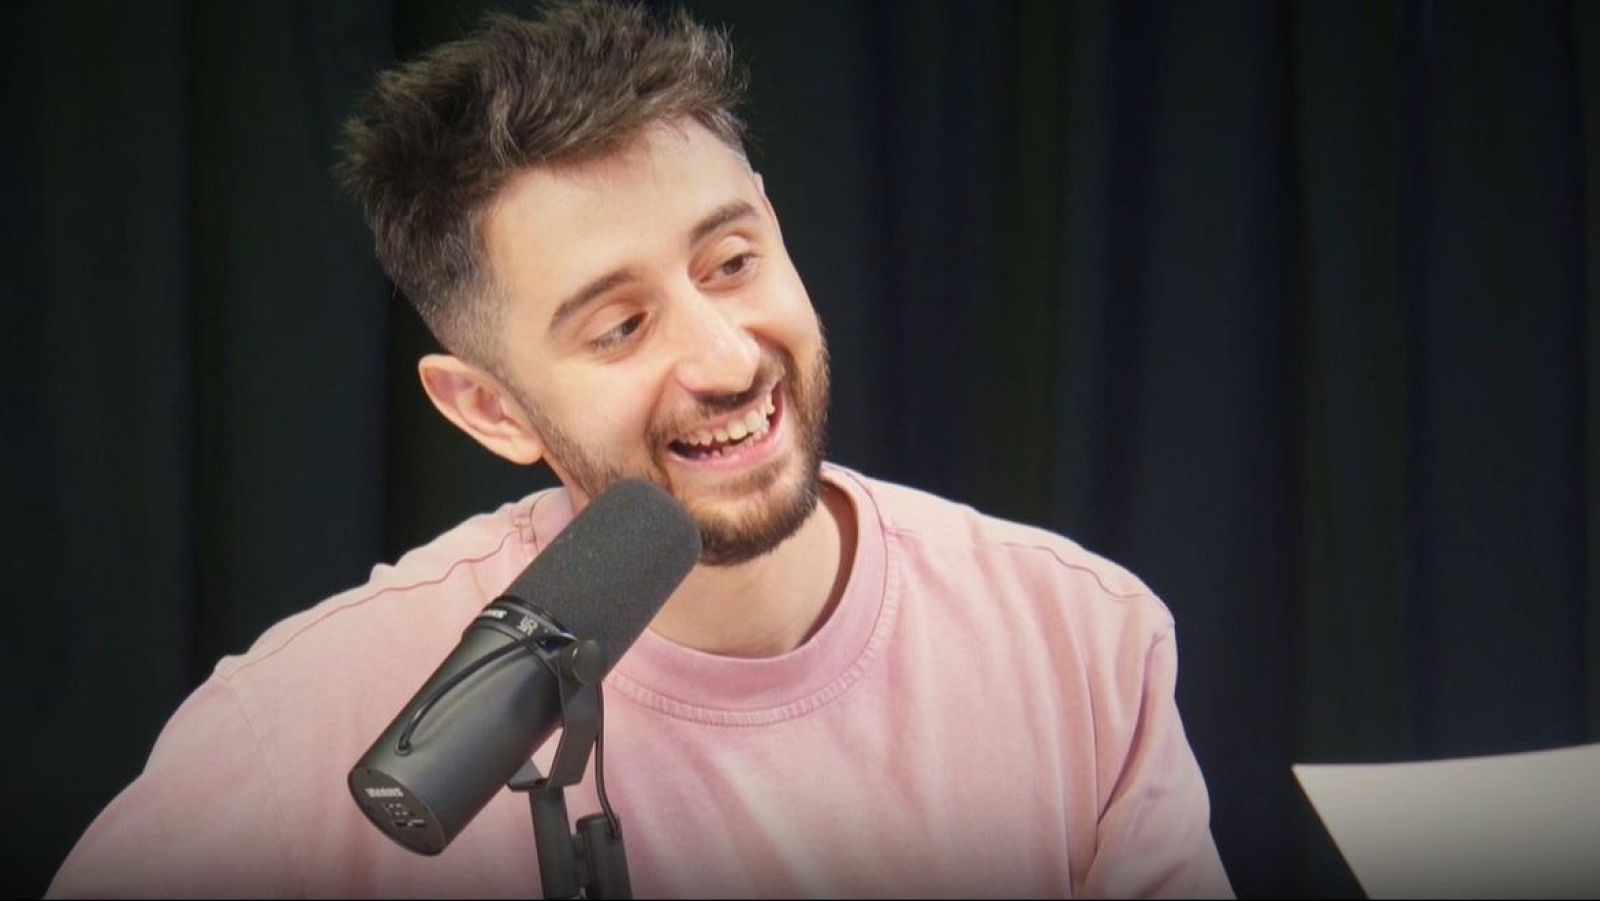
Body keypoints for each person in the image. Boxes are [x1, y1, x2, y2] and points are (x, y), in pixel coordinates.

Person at [49, 3, 1233, 897]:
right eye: (620, 325)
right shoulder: (296, 728)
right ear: (486, 409)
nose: (723, 358)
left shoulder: (1078, 640)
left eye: (732, 261)